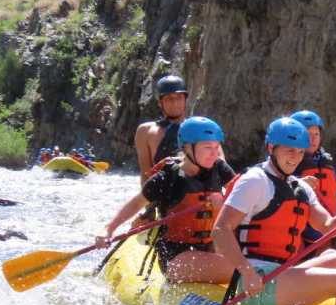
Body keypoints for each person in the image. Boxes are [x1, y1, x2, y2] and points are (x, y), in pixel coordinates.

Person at [211, 117, 336, 305]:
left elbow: (327, 226)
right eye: (290, 150)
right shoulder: (255, 180)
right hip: (257, 280)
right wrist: (247, 272)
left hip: (283, 273)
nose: (295, 158)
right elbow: (220, 229)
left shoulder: (300, 187)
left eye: (301, 152)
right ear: (271, 148)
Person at [96, 117, 236, 284]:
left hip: (209, 248)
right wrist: (108, 230)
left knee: (249, 261)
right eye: (207, 147)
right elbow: (136, 203)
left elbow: (243, 194)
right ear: (187, 147)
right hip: (176, 257)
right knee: (240, 269)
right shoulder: (168, 177)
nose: (214, 153)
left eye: (216, 147)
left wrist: (225, 202)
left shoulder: (219, 168)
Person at [134, 75, 188, 184]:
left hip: (194, 191)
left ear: (185, 100)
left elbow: (219, 165)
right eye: (169, 98)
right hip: (162, 191)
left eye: (179, 98)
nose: (174, 103)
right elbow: (146, 175)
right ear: (160, 102)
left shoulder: (201, 128)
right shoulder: (145, 131)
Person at [290, 110, 336, 218]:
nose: (313, 138)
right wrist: (298, 183)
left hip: (328, 223)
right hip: (300, 223)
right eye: (308, 134)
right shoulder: (286, 161)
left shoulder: (326, 161)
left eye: (317, 134)